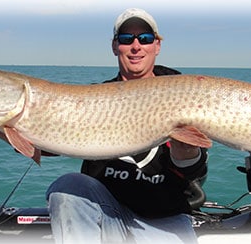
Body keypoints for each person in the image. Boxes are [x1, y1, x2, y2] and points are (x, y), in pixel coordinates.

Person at [44, 8, 208, 244]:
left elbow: (194, 171)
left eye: (145, 38)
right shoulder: (94, 97)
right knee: (67, 186)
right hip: (107, 212)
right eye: (125, 39)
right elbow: (50, 143)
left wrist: (185, 151)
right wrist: (4, 127)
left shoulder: (185, 92)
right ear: (115, 46)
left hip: (165, 219)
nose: (136, 46)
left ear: (157, 46)